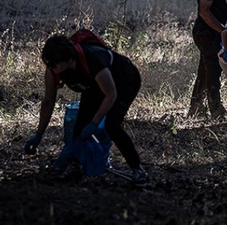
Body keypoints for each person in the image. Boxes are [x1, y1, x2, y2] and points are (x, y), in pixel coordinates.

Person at [24, 34, 148, 185]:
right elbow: (49, 101)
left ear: (69, 59)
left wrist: (94, 123)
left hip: (125, 80)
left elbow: (111, 94)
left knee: (112, 125)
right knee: (79, 128)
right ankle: (76, 165)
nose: (51, 67)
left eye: (54, 64)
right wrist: (39, 134)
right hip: (93, 86)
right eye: (48, 63)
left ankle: (138, 170)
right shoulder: (54, 69)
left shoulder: (93, 59)